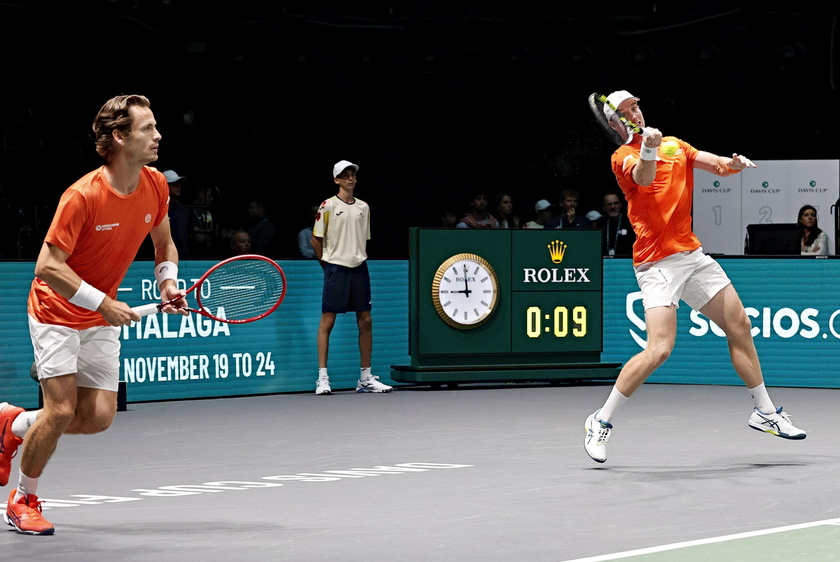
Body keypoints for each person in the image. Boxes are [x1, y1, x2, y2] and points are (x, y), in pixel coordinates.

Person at [583, 90, 806, 464]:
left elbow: (716, 164)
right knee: (660, 350)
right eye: (625, 111)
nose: (634, 112)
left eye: (636, 106)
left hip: (693, 256)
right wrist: (648, 148)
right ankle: (600, 420)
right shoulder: (622, 157)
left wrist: (733, 163)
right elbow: (643, 176)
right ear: (614, 122)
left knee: (740, 325)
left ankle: (764, 411)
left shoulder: (674, 144)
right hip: (656, 264)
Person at [0, 94, 187, 535]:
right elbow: (47, 266)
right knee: (62, 410)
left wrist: (167, 282)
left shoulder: (155, 183)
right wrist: (103, 303)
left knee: (100, 416)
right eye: (147, 128)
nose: (158, 135)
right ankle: (23, 498)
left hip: (99, 317)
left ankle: (13, 423)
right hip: (56, 311)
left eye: (156, 126)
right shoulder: (82, 196)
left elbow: (164, 244)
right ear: (119, 137)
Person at [311, 160, 392, 395]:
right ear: (336, 180)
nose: (350, 179)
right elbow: (316, 240)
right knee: (328, 321)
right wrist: (327, 265)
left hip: (359, 268)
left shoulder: (364, 208)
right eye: (345, 175)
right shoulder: (327, 205)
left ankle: (366, 378)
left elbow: (360, 239)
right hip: (336, 269)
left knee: (365, 320)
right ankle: (323, 378)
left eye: (353, 175)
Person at [591, 191, 636, 257]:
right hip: (604, 262)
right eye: (609, 204)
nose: (613, 206)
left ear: (620, 205)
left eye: (615, 203)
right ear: (604, 207)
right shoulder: (600, 223)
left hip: (626, 261)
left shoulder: (630, 222)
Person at [163, 170, 190, 258]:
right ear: (164, 186)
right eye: (173, 184)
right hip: (164, 256)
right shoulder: (158, 209)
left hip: (184, 257)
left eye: (179, 183)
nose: (178, 186)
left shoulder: (184, 210)